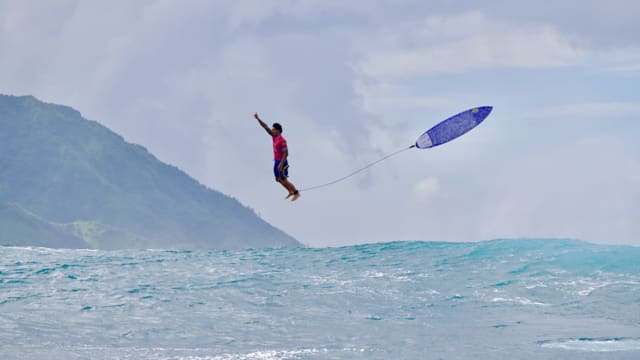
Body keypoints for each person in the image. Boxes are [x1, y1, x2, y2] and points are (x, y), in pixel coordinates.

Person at [254, 112, 300, 201]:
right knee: (277, 179)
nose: (272, 130)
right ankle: (290, 191)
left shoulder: (282, 141)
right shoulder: (274, 136)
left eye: (274, 129)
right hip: (276, 161)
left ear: (278, 131)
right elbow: (265, 126)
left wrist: (281, 164)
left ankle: (296, 193)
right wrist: (258, 119)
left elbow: (286, 153)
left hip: (282, 162)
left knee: (284, 179)